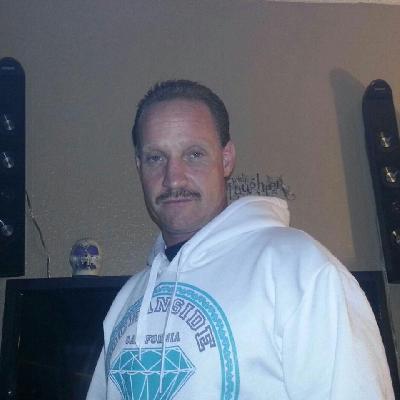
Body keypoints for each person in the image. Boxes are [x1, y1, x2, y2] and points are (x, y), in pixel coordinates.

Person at [87, 80, 394, 399]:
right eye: (155, 158)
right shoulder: (128, 300)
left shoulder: (301, 270)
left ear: (227, 159)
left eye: (194, 154)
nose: (173, 178)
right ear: (139, 166)